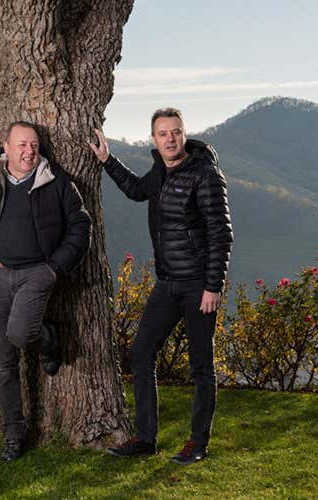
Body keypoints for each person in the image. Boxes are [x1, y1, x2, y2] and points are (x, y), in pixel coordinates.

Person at [90, 108, 233, 465]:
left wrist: (213, 286)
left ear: (184, 135)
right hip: (167, 284)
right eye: (162, 133)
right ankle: (146, 438)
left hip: (200, 285)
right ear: (154, 138)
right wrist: (108, 160)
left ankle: (197, 443)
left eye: (175, 132)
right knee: (141, 354)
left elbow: (221, 233)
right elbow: (137, 190)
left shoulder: (205, 175)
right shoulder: (159, 173)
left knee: (201, 366)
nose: (169, 139)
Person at [0, 121, 91, 462]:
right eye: (22, 145)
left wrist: (55, 266)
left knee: (20, 334)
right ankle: (14, 431)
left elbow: (80, 225)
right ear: (6, 147)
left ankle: (43, 335)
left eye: (34, 146)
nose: (29, 152)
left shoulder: (56, 182)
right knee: (3, 362)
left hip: (37, 273)